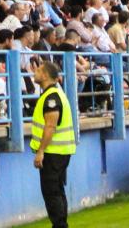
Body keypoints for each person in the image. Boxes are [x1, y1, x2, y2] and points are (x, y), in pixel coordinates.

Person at [31, 60, 76, 228]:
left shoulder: (52, 97)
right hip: (60, 152)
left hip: (53, 152)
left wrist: (40, 151)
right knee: (57, 190)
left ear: (45, 75)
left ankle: (60, 226)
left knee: (52, 192)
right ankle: (61, 225)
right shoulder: (55, 93)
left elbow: (50, 125)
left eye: (38, 70)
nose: (34, 72)